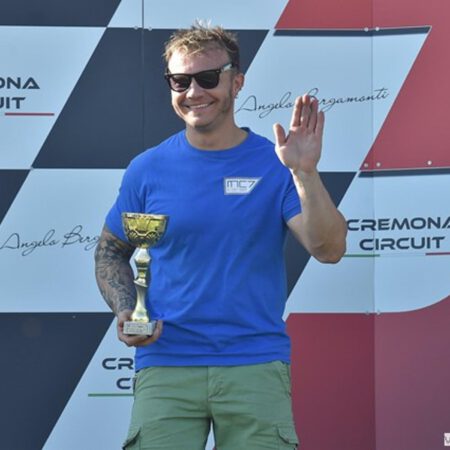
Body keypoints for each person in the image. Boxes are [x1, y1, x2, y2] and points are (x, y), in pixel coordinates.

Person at [94, 22, 347, 450]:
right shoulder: (147, 169)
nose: (194, 92)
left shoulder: (275, 164)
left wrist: (304, 173)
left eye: (208, 78)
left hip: (254, 363)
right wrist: (126, 309)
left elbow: (329, 249)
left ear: (237, 82)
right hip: (166, 363)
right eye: (180, 81)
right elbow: (110, 252)